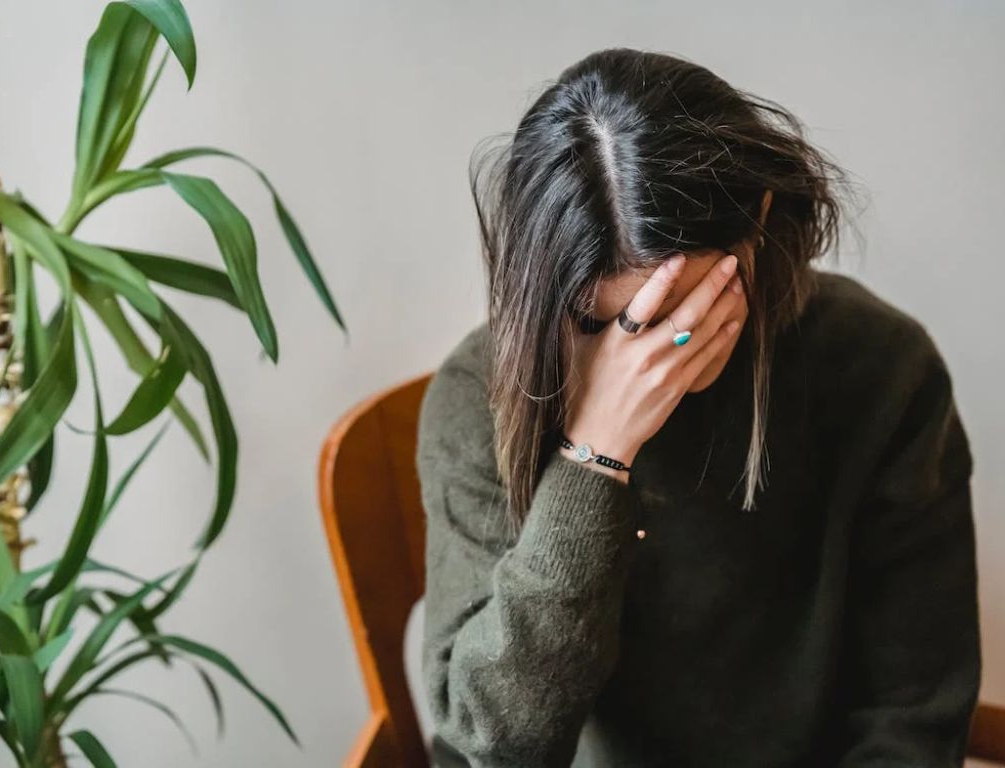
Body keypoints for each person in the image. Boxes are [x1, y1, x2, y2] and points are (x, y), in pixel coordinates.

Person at [416, 47, 980, 767]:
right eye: (601, 322)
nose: (648, 357)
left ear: (760, 222)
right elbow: (488, 748)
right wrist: (594, 459)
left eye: (681, 312)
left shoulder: (882, 370)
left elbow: (914, 716)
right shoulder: (479, 399)